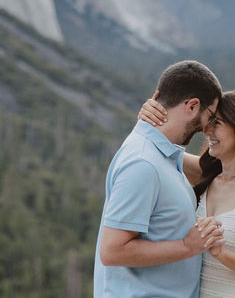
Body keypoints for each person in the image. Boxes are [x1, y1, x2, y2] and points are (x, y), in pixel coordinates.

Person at [139, 89, 235, 297]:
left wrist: (221, 253)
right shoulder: (205, 175)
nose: (207, 129)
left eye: (217, 123)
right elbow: (155, 147)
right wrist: (151, 115)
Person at [94, 60, 226, 297]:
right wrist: (188, 247)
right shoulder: (144, 164)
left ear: (156, 96)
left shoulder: (163, 156)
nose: (208, 128)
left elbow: (215, 173)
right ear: (193, 106)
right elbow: (112, 251)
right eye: (211, 116)